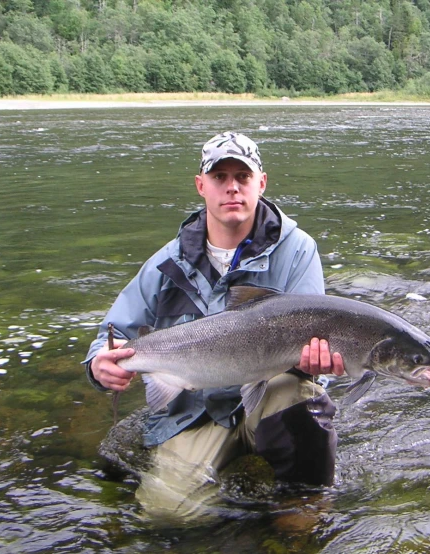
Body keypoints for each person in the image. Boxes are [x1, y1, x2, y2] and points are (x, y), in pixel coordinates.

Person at [83, 132, 344, 516]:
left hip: (270, 395)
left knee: (302, 396)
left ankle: (300, 505)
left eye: (243, 176)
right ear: (201, 186)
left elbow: (318, 333)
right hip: (199, 409)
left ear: (262, 183)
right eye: (220, 177)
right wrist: (98, 365)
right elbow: (116, 332)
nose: (232, 187)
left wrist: (320, 364)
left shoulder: (297, 250)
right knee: (169, 515)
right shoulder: (166, 263)